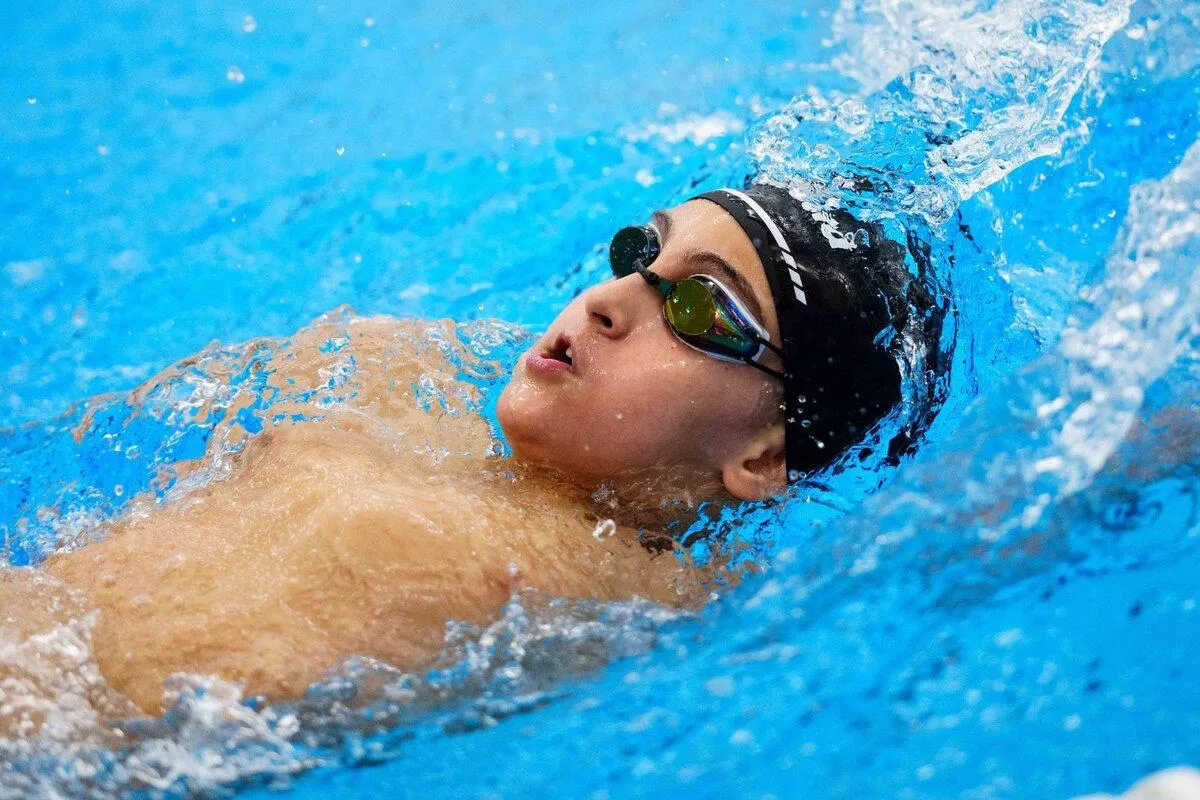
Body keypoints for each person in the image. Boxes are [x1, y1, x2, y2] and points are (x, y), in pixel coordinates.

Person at [1, 183, 936, 718]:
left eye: (698, 307)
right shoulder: (399, 384)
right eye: (637, 253)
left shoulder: (661, 597)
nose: (610, 302)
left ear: (763, 457)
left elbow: (945, 566)